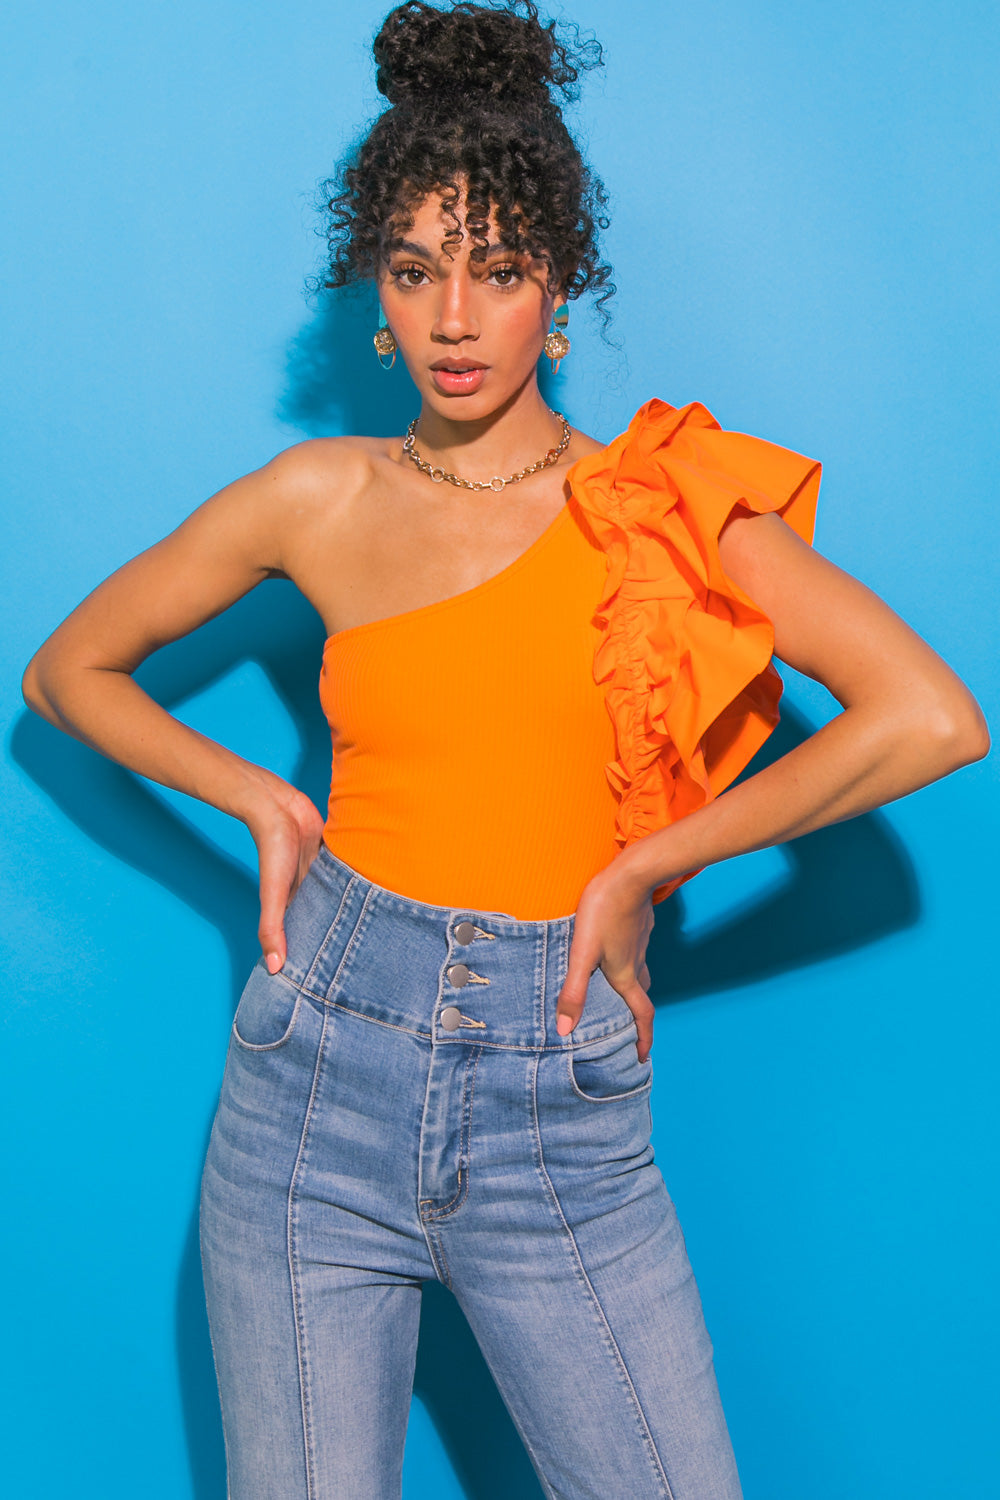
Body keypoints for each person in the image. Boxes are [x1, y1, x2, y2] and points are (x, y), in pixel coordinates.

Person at [21, 2, 989, 1497]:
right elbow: (68, 669)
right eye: (416, 274)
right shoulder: (319, 500)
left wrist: (656, 864)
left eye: (498, 271)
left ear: (560, 286)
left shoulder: (654, 509)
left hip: (556, 1096)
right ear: (377, 295)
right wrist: (263, 802)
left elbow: (930, 716)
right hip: (312, 1087)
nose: (454, 321)